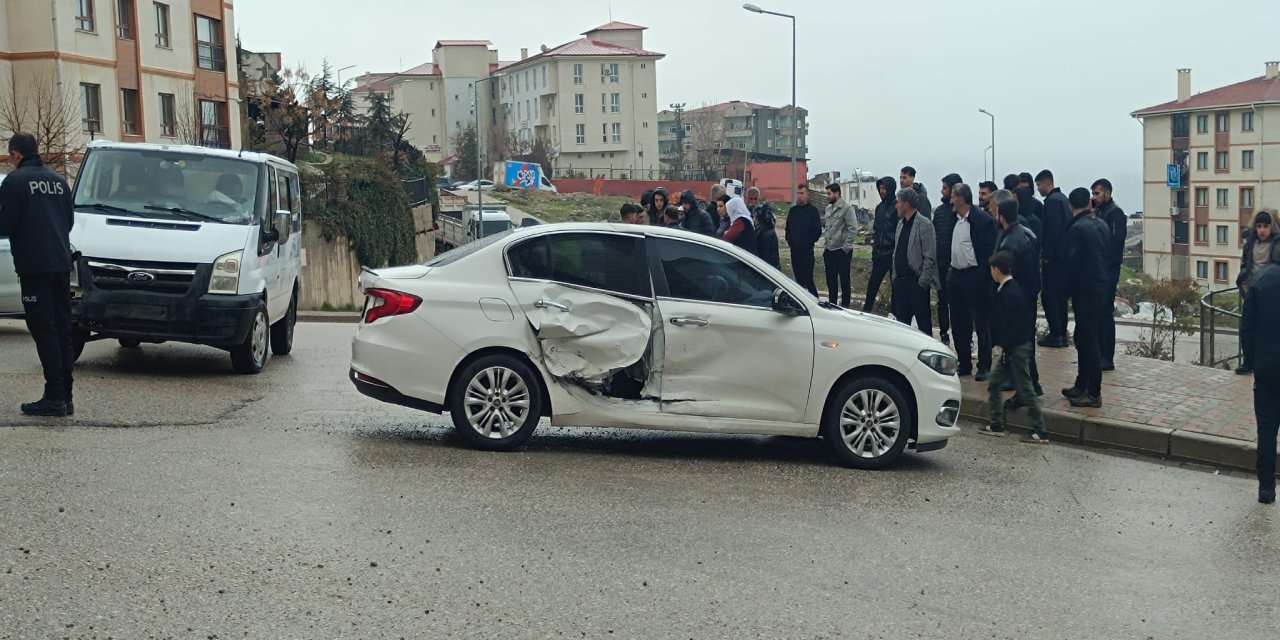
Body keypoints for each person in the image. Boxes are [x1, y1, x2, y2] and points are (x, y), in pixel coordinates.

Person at [0, 133, 76, 417]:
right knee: (62, 330)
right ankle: (66, 396)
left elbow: (5, 224)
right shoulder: (58, 181)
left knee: (45, 332)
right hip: (61, 264)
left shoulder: (14, 182)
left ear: (16, 154)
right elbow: (68, 221)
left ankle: (54, 397)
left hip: (34, 268)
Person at [981, 250, 1048, 442]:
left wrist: (1007, 349)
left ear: (996, 270)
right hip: (1013, 347)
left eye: (991, 269)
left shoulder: (1009, 293)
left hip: (1015, 348)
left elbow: (1011, 325)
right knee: (995, 383)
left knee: (1025, 388)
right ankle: (996, 423)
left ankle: (1040, 430)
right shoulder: (1011, 289)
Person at [992, 190, 1044, 405]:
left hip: (1016, 297)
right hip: (1031, 292)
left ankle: (1024, 391)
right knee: (1027, 340)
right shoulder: (1028, 232)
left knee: (1018, 345)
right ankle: (1034, 383)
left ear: (1001, 217)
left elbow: (1006, 274)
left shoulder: (1009, 243)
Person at [1062, 187, 1112, 409]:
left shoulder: (1077, 228)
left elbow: (1071, 262)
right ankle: (1082, 384)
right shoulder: (1101, 224)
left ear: (1070, 205)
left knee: (1088, 339)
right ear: (1089, 203)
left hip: (1085, 289)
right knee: (1084, 336)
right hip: (1100, 285)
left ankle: (1093, 392)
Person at [1240, 250, 1280, 504]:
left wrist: (1250, 361)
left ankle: (1266, 487)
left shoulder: (1259, 280)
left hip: (1266, 366)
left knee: (1266, 427)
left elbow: (1247, 326)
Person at [947, 183, 998, 380]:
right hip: (956, 276)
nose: (951, 200)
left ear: (961, 199)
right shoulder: (955, 219)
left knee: (981, 323)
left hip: (975, 277)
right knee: (959, 323)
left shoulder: (982, 220)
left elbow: (989, 251)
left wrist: (984, 276)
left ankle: (984, 365)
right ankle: (964, 362)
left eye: (953, 196)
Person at [1236, 209, 1279, 375]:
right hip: (1251, 292)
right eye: (1259, 226)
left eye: (1265, 226)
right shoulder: (1250, 244)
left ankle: (1267, 364)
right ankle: (1248, 362)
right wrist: (1243, 281)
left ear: (1271, 227)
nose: (1262, 230)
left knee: (1267, 331)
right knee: (1247, 328)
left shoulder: (1277, 244)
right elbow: (1245, 266)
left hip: (1270, 295)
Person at [890, 188, 937, 335]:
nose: (896, 206)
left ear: (906, 204)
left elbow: (930, 256)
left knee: (924, 329)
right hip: (900, 284)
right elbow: (896, 252)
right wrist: (895, 278)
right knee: (902, 329)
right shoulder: (900, 225)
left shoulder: (924, 224)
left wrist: (922, 283)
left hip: (916, 284)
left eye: (898, 202)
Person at [1035, 170, 1073, 349]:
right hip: (1065, 258)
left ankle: (1056, 333)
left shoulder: (1052, 202)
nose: (1038, 189)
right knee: (1061, 298)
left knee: (1050, 297)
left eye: (1039, 185)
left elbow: (1053, 231)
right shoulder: (1063, 199)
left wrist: (1046, 255)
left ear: (1045, 183)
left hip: (1055, 259)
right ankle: (1061, 333)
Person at [1092, 179, 1127, 371]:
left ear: (1107, 193)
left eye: (1097, 193)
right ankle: (1098, 353)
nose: (1094, 197)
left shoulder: (1115, 213)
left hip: (1109, 269)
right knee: (1098, 311)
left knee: (1105, 311)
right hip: (1098, 268)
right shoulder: (1098, 211)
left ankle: (1107, 356)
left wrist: (1105, 265)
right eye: (1093, 194)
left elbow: (1116, 243)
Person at [933, 173, 963, 346]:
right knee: (942, 302)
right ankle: (944, 334)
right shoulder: (939, 212)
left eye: (945, 188)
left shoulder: (960, 213)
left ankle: (963, 338)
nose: (942, 191)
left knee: (959, 304)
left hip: (957, 266)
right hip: (941, 264)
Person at [863, 177, 899, 312]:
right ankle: (866, 311)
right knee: (872, 285)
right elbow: (877, 231)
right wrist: (874, 249)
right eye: (880, 188)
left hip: (892, 253)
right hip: (879, 253)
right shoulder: (879, 208)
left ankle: (894, 314)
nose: (882, 191)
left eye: (884, 188)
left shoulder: (897, 207)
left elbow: (898, 231)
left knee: (895, 287)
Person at [821, 183, 858, 307]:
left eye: (829, 193)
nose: (827, 196)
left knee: (844, 280)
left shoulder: (847, 209)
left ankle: (845, 306)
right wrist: (826, 246)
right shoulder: (828, 208)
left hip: (842, 250)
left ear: (837, 193)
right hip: (830, 250)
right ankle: (832, 304)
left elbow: (852, 229)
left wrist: (845, 248)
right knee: (831, 280)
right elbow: (828, 228)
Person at [785, 186, 822, 296]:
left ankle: (815, 301)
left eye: (802, 193)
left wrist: (807, 242)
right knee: (799, 281)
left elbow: (817, 231)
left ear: (807, 195)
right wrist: (791, 242)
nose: (799, 196)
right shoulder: (793, 211)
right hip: (795, 252)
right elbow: (788, 229)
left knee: (808, 280)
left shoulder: (813, 211)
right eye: (798, 193)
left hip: (807, 252)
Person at [754, 204, 781, 269]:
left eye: (755, 217)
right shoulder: (769, 231)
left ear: (760, 219)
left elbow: (764, 256)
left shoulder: (762, 235)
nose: (753, 219)